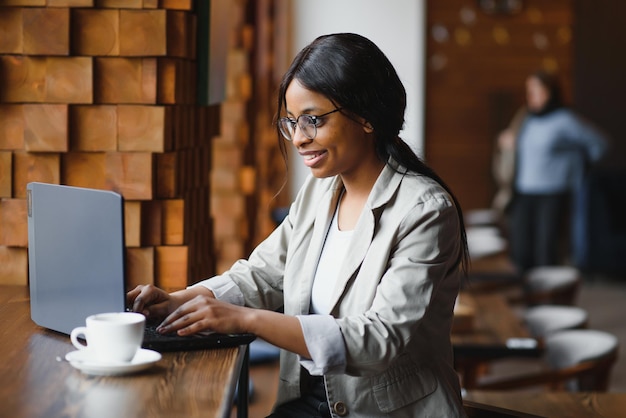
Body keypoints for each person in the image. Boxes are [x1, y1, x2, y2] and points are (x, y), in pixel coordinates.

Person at [127, 33, 469, 417]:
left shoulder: (424, 210)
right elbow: (262, 275)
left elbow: (378, 339)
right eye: (291, 122)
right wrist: (180, 301)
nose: (300, 138)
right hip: (311, 401)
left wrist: (246, 320)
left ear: (366, 115)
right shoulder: (319, 193)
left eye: (313, 120)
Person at [500, 70, 608, 273]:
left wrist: (577, 163)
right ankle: (525, 301)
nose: (531, 95)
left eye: (536, 90)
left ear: (550, 92)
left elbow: (599, 144)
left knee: (546, 253)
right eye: (529, 90)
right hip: (523, 191)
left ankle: (547, 300)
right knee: (520, 251)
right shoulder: (526, 118)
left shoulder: (564, 119)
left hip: (552, 194)